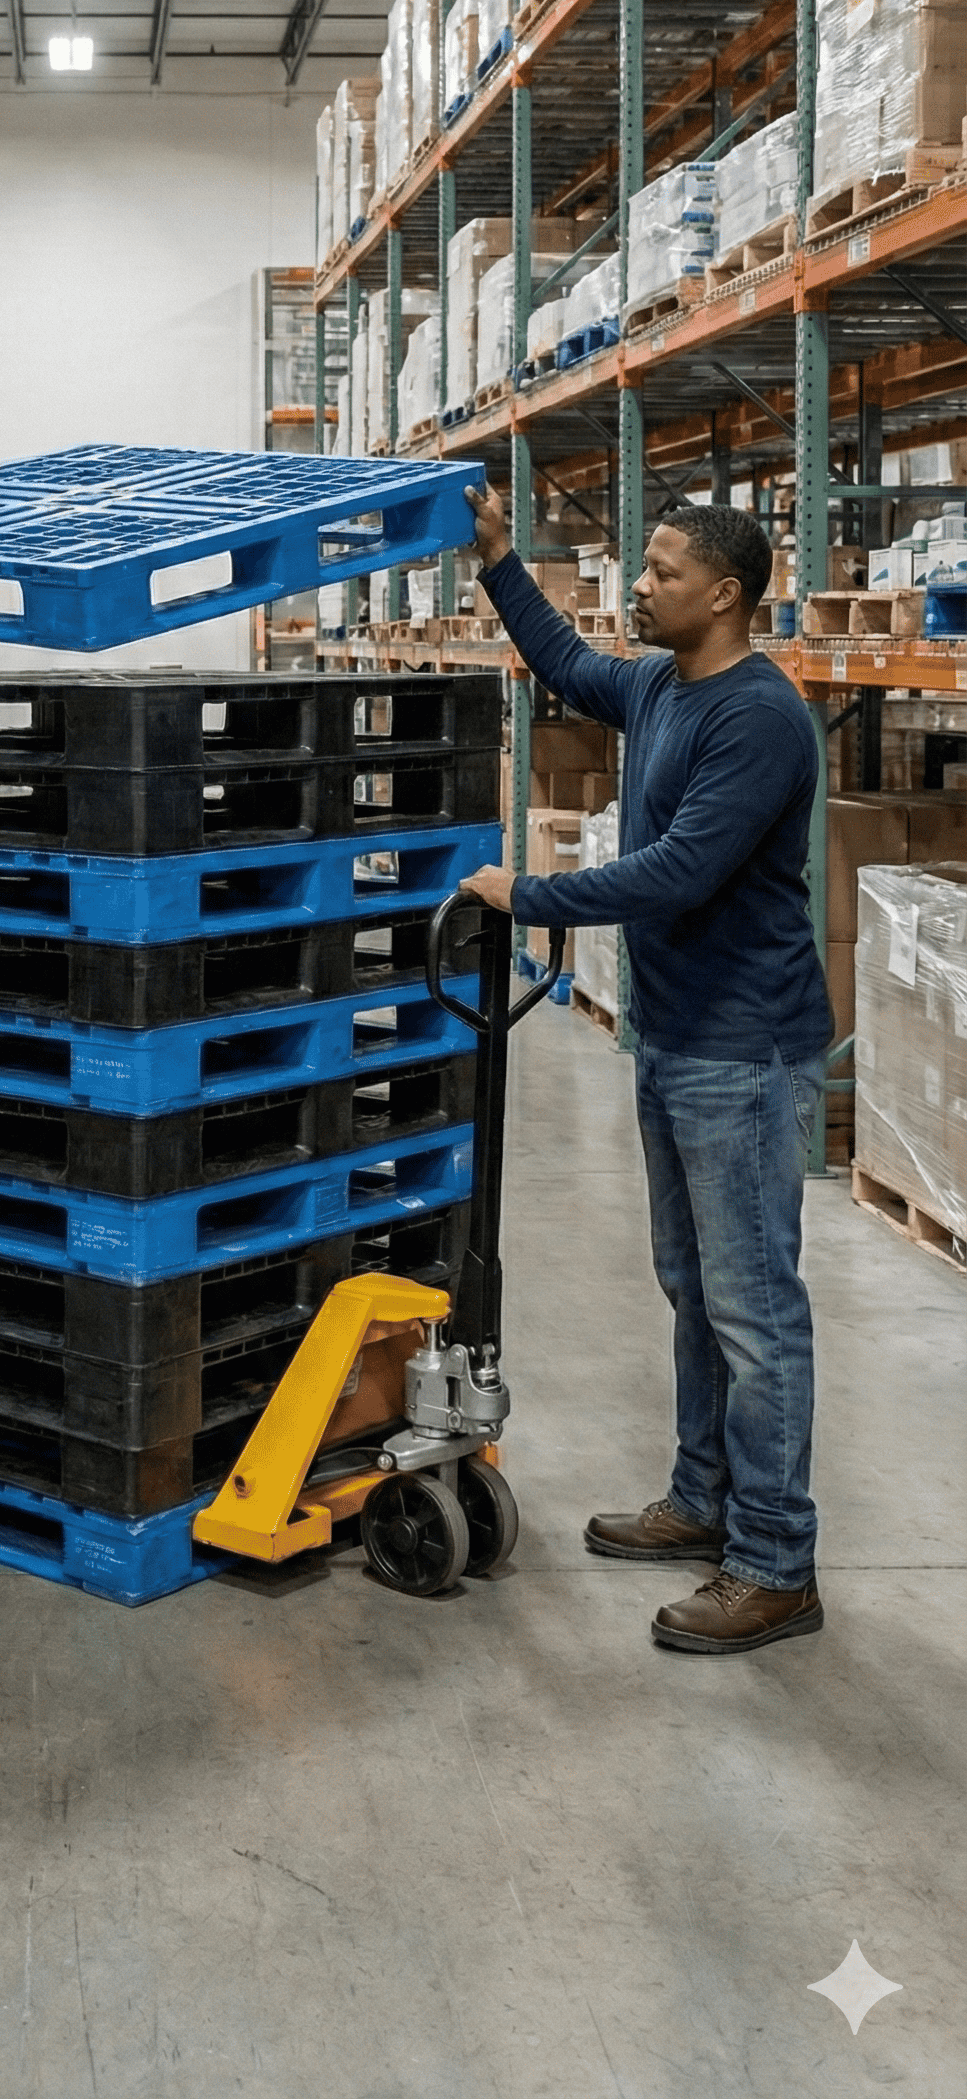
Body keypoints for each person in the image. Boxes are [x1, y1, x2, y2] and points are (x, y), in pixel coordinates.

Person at [460, 484, 833, 1656]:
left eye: (662, 571)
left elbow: (677, 870)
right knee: (693, 1288)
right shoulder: (663, 685)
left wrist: (530, 893)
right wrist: (499, 560)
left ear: (721, 594)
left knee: (754, 1311)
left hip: (745, 1049)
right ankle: (701, 1497)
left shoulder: (758, 718)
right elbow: (570, 665)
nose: (638, 583)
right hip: (674, 1035)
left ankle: (774, 1563)